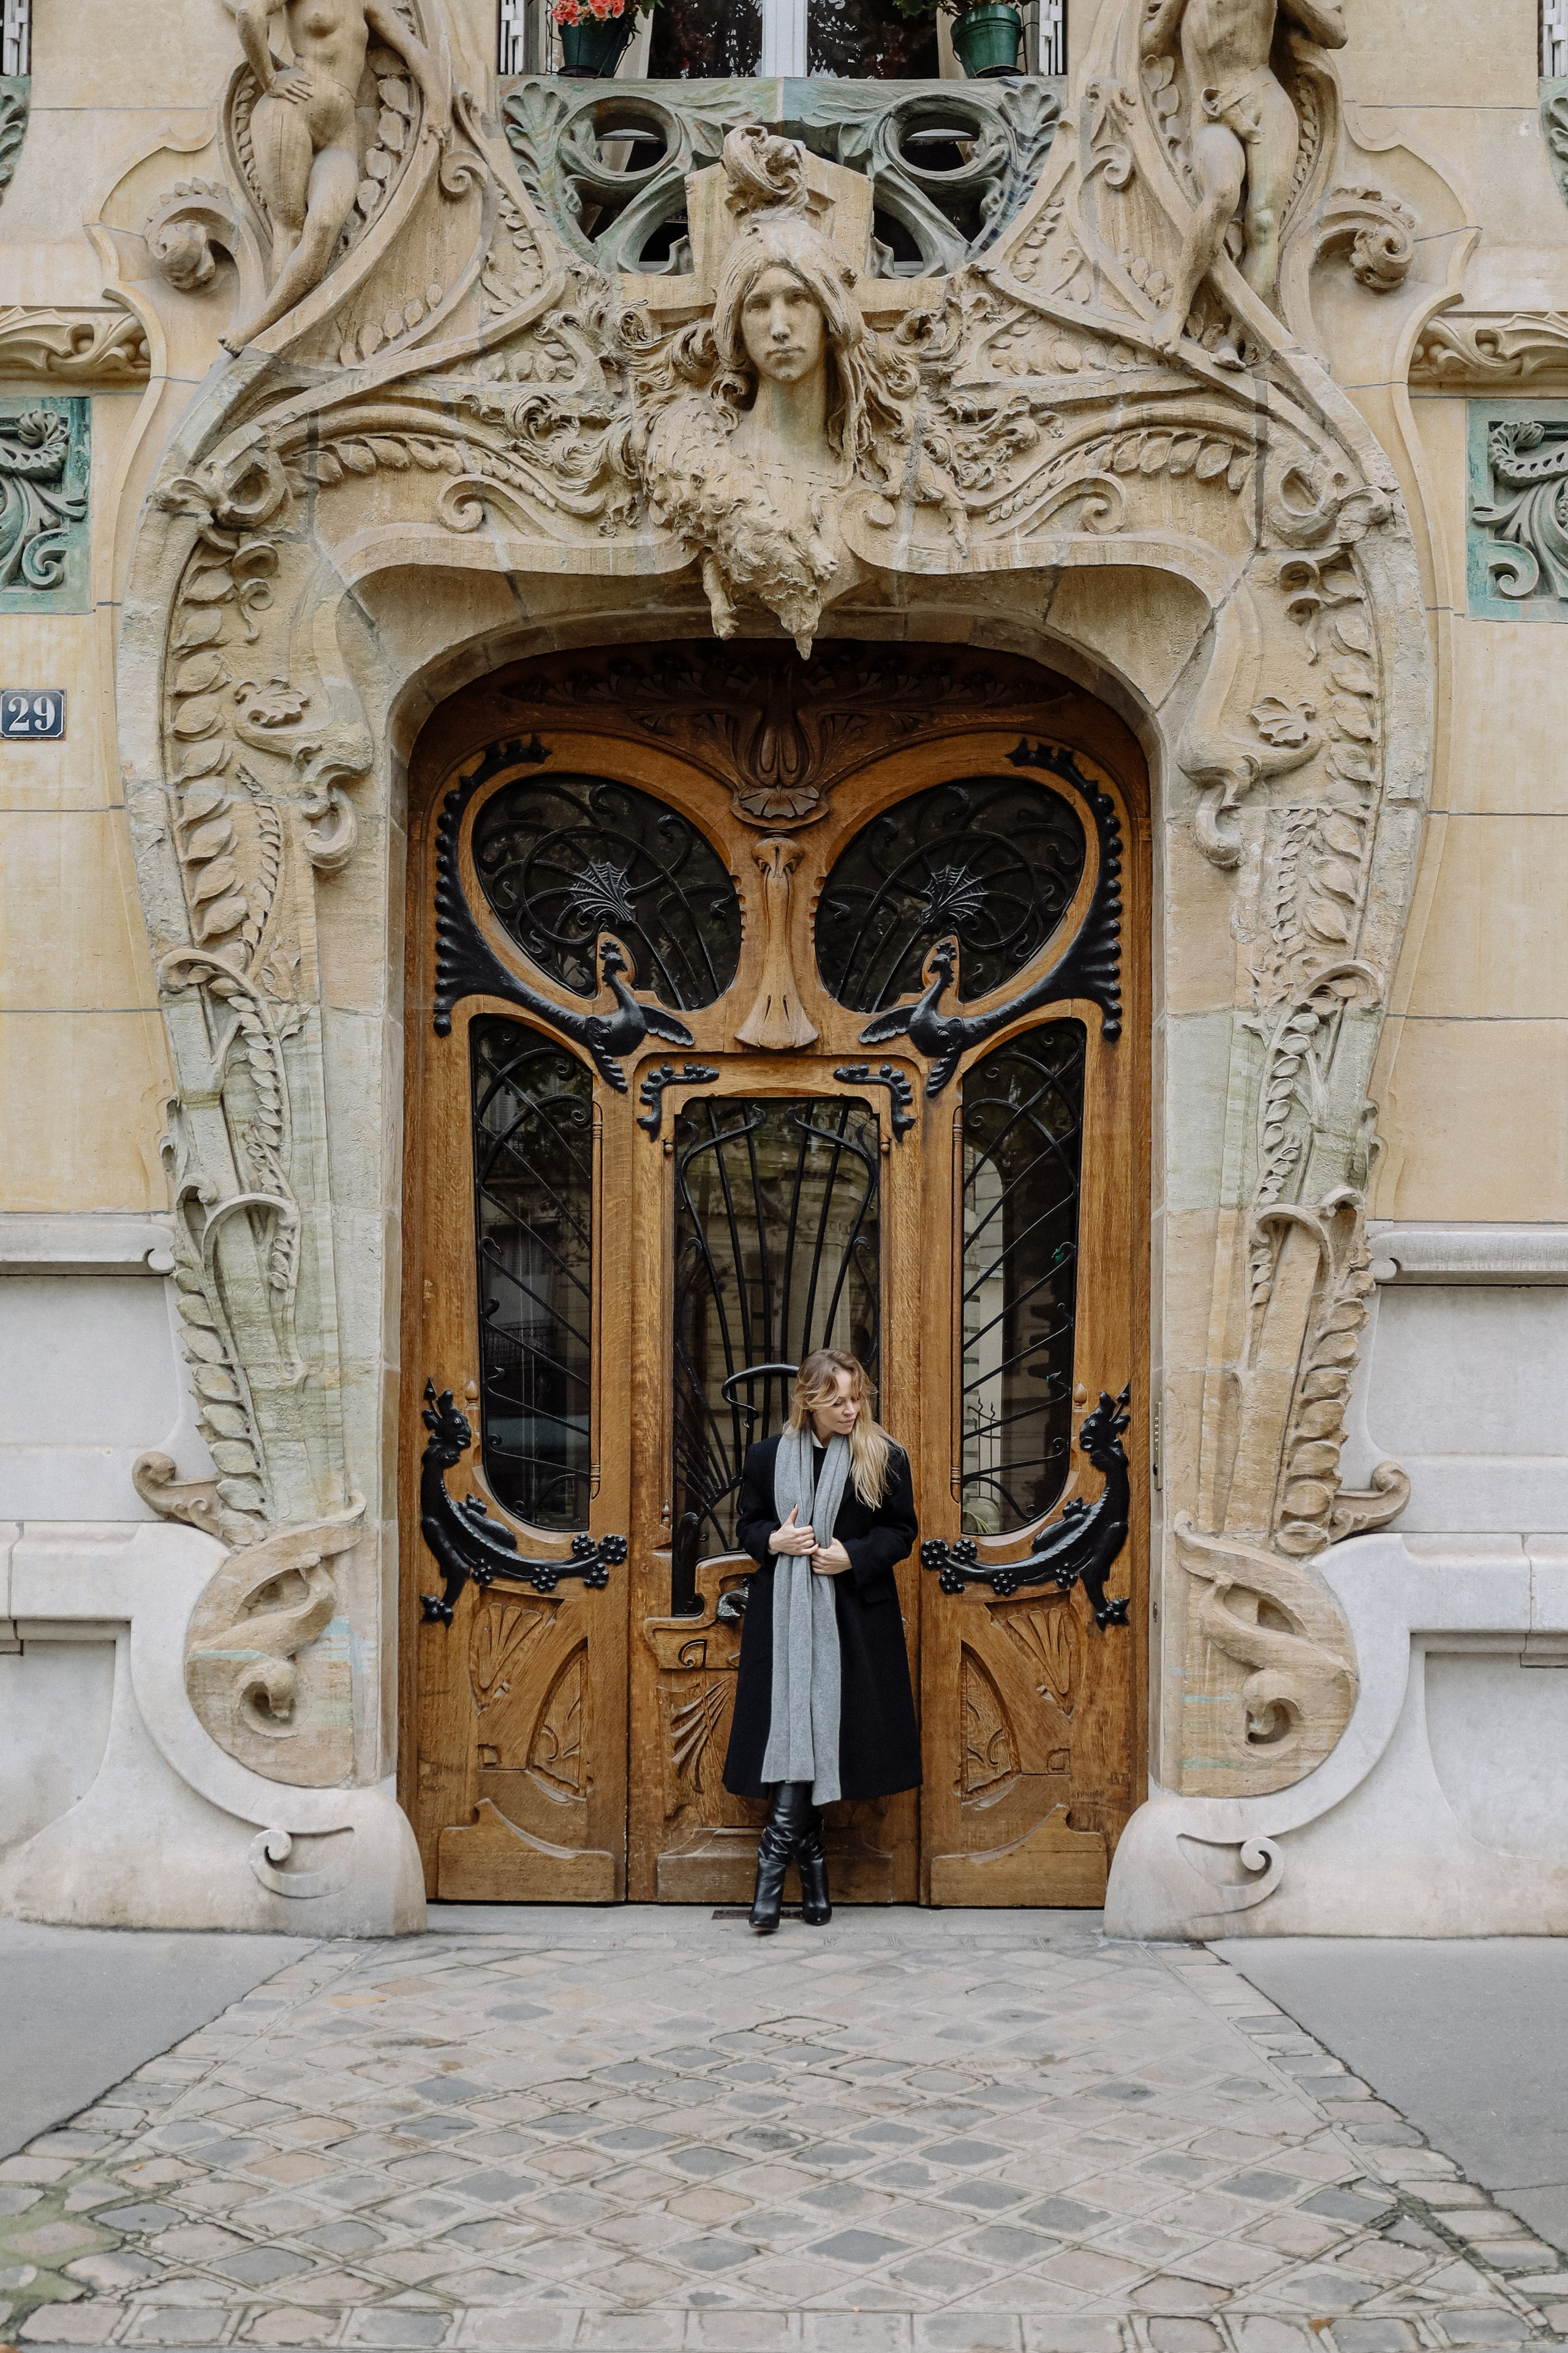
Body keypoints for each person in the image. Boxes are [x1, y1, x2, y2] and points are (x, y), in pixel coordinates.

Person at [722, 1348, 921, 1933]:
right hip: (783, 1629)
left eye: (857, 1397)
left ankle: (774, 1869)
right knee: (797, 1732)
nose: (852, 1409)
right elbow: (749, 1525)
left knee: (817, 1733)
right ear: (808, 1401)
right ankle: (807, 1868)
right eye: (838, 1400)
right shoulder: (765, 1458)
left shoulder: (882, 1455)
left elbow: (903, 1531)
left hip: (853, 1624)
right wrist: (775, 1542)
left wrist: (852, 1556)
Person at [223, 0, 450, 351]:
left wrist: (437, 107)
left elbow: (413, 48)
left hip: (341, 133)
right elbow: (248, 14)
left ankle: (268, 328)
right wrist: (268, 79)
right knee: (290, 228)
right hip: (290, 110)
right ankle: (267, 336)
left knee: (325, 225)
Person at [1139, 0, 1348, 354]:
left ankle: (1234, 338)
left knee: (1264, 223)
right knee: (1221, 193)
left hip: (1267, 102)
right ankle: (1177, 311)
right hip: (1214, 111)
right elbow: (1151, 43)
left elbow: (1336, 35)